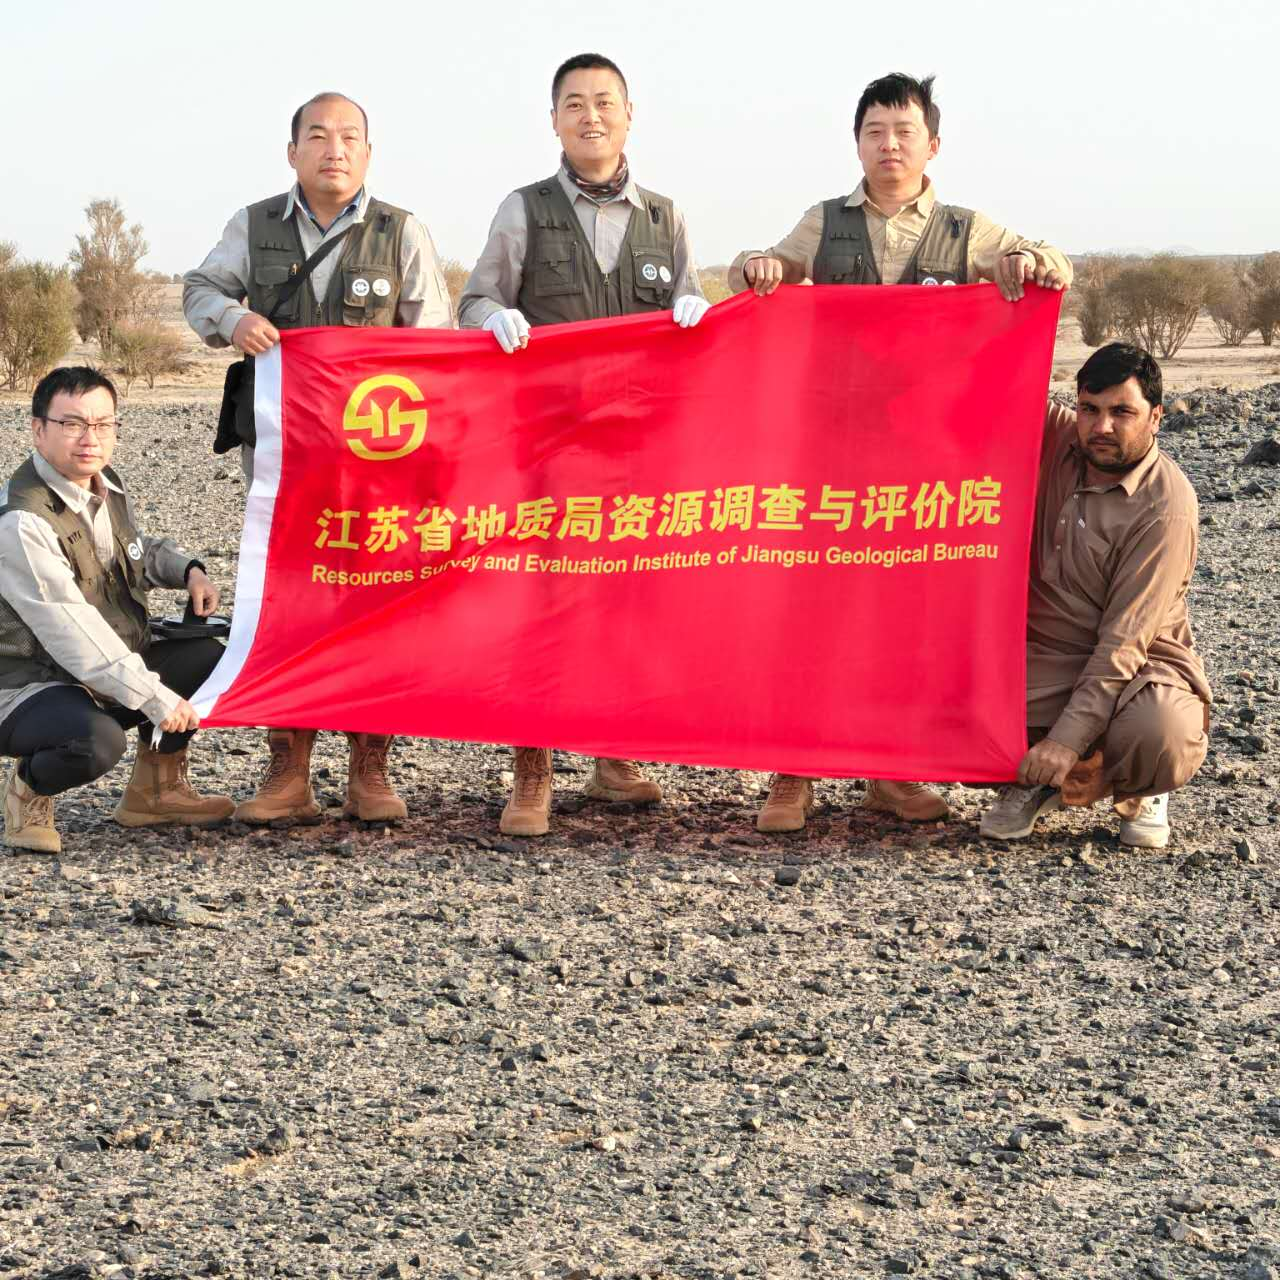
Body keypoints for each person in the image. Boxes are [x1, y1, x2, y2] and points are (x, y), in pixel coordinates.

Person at [728, 71, 1074, 833]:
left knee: (906, 620)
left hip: (926, 466)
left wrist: (1034, 262)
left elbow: (1052, 261)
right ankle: (793, 774)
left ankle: (890, 771)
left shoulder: (966, 228)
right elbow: (764, 268)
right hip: (833, 459)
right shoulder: (823, 223)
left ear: (932, 145)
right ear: (857, 143)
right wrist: (761, 267)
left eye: (904, 131)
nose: (889, 144)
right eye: (875, 131)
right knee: (815, 614)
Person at [183, 90, 455, 825]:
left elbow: (436, 341)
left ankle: (371, 767)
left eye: (349, 137)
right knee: (290, 604)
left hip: (378, 460)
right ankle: (288, 770)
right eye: (318, 136)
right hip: (283, 462)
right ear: (292, 151)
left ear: (368, 152)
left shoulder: (402, 232)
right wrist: (233, 318)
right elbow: (200, 288)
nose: (334, 149)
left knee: (374, 606)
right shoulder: (254, 225)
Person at [459, 52, 712, 838]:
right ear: (555, 121)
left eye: (605, 102)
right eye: (575, 104)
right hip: (548, 450)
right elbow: (474, 300)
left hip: (637, 454)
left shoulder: (665, 218)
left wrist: (700, 311)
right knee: (544, 607)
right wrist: (493, 318)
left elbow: (690, 310)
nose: (591, 116)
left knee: (625, 603)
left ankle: (613, 753)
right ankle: (532, 771)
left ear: (629, 115)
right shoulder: (524, 210)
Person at [979, 344, 1211, 847]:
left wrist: (1065, 741)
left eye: (1121, 412)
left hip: (1136, 666)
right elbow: (992, 374)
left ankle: (1131, 783)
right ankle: (1044, 779)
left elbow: (1124, 643)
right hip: (1041, 659)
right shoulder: (1059, 437)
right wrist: (1018, 283)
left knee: (1161, 732)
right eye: (1089, 409)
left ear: (1156, 417)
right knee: (955, 717)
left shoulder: (1166, 507)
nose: (1101, 427)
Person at [0, 368, 234, 853]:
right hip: (23, 682)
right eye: (72, 424)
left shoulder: (101, 485)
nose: (90, 438)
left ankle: (155, 792)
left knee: (205, 657)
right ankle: (27, 791)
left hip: (87, 668)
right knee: (95, 743)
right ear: (38, 429)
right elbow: (70, 630)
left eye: (103, 424)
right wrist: (153, 696)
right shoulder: (21, 521)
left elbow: (132, 550)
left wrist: (187, 570)